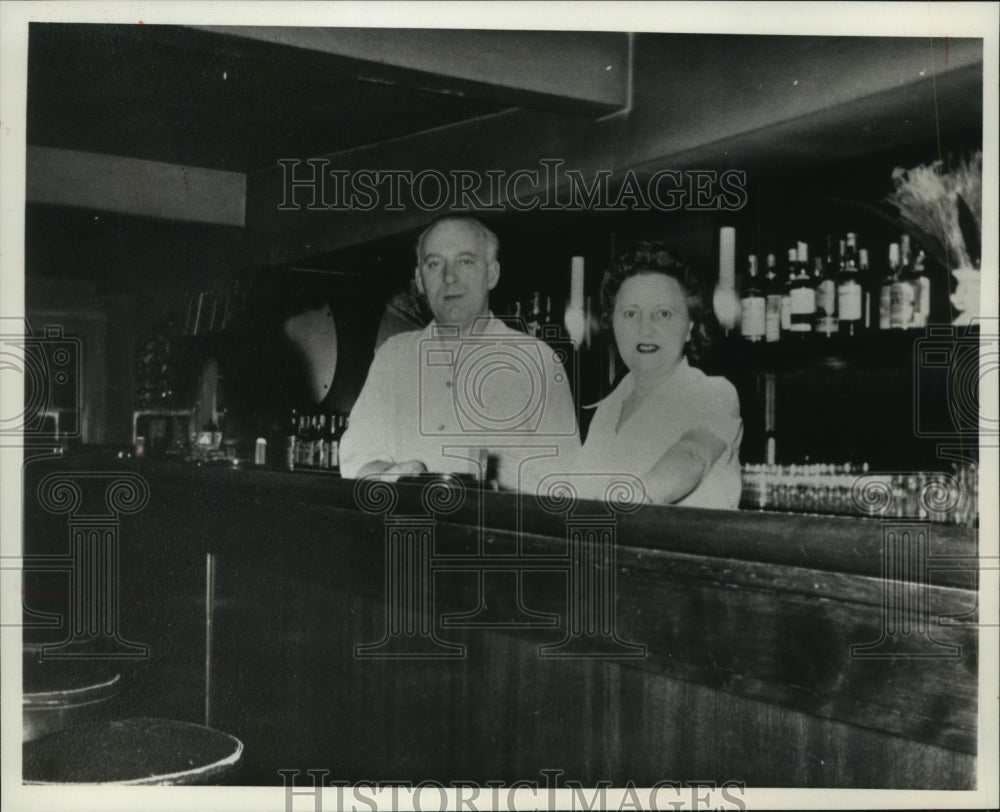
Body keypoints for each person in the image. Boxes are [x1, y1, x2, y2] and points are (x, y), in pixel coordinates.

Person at [339, 216, 580, 488]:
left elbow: (564, 481)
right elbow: (356, 458)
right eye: (434, 264)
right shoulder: (392, 357)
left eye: (465, 261)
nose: (449, 277)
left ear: (492, 274)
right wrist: (390, 473)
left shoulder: (538, 361)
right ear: (419, 279)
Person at [567, 242, 742, 509]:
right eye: (630, 313)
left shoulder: (713, 392)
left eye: (663, 313)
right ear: (612, 324)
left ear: (689, 327)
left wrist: (628, 498)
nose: (645, 329)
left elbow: (692, 455)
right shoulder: (606, 410)